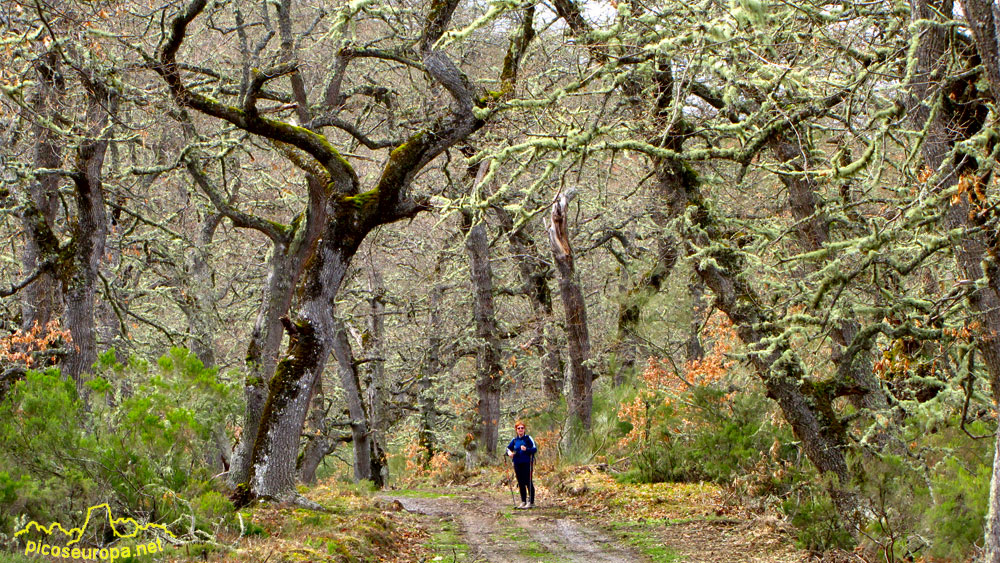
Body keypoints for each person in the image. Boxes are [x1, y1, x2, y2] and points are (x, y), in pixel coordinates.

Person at [505, 420, 537, 509]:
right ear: (516, 430)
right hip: (517, 463)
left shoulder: (528, 438)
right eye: (518, 428)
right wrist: (509, 453)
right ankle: (523, 501)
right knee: (520, 482)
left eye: (522, 428)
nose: (520, 430)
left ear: (524, 429)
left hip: (527, 463)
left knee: (528, 481)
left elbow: (534, 449)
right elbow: (508, 449)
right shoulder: (514, 440)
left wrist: (526, 449)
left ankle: (531, 502)